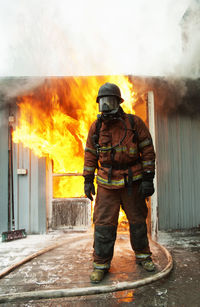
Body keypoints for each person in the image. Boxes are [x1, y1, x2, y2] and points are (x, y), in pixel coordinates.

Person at [83, 82, 156, 283]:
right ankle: (100, 265)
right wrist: (88, 180)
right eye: (102, 103)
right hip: (107, 185)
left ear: (118, 102)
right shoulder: (96, 128)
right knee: (104, 226)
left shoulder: (134, 124)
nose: (106, 107)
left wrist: (148, 178)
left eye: (110, 102)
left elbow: (147, 151)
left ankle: (144, 257)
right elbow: (90, 154)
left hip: (132, 183)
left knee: (138, 222)